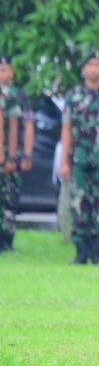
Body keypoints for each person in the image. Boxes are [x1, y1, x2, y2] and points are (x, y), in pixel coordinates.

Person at [59, 51, 99, 265]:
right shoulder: (73, 96)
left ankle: (97, 251)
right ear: (84, 69)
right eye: (91, 64)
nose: (94, 68)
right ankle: (80, 251)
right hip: (78, 159)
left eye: (98, 64)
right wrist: (64, 162)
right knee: (78, 204)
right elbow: (66, 130)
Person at [0, 55, 34, 254]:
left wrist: (25, 155)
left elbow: (27, 126)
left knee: (10, 200)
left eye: (5, 69)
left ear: (12, 72)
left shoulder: (19, 96)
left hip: (12, 155)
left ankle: (7, 239)